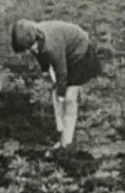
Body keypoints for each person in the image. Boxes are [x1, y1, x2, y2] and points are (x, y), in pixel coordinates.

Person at [10, 18, 102, 150]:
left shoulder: (51, 44)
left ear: (35, 40)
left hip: (81, 53)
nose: (29, 51)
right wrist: (48, 74)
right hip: (65, 54)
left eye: (29, 48)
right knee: (56, 95)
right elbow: (44, 60)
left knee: (69, 98)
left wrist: (61, 94)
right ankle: (62, 134)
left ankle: (68, 142)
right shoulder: (36, 41)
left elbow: (62, 71)